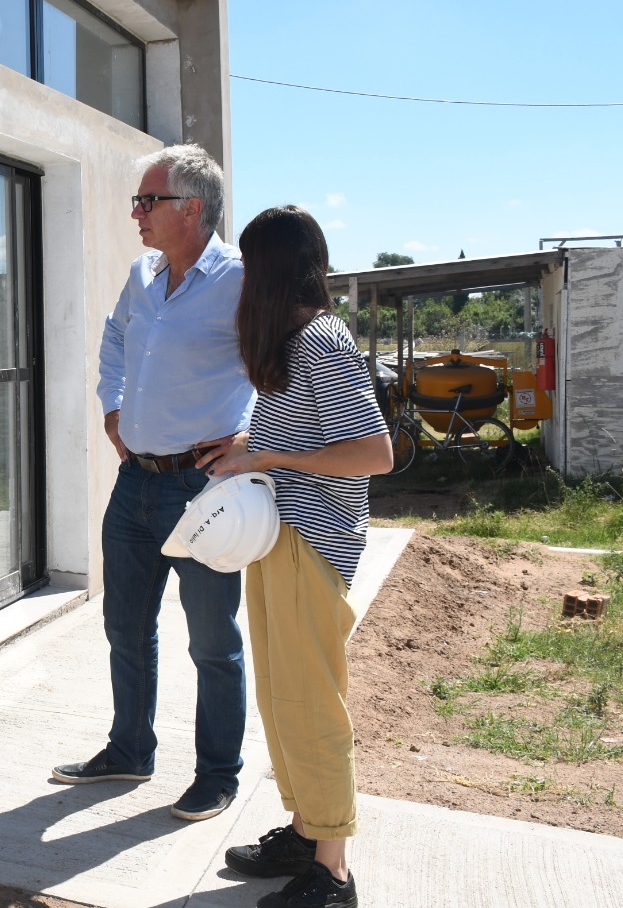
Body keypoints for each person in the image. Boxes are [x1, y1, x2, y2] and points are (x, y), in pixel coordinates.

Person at [51, 144, 256, 823]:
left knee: (212, 644)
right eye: (138, 200)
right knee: (126, 629)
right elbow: (115, 339)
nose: (135, 212)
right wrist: (112, 408)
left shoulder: (241, 281)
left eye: (148, 200)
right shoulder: (142, 275)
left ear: (191, 209)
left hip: (202, 491)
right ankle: (129, 751)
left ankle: (217, 775)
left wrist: (252, 440)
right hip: (134, 484)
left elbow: (281, 368)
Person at [201, 205, 393, 908]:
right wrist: (245, 446)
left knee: (310, 705)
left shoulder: (321, 340)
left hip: (312, 542)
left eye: (249, 265)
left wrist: (269, 457)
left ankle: (332, 873)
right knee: (281, 698)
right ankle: (307, 832)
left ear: (272, 270)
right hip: (281, 537)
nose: (241, 280)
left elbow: (374, 452)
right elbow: (303, 432)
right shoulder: (294, 342)